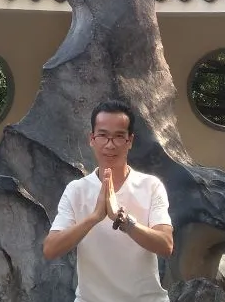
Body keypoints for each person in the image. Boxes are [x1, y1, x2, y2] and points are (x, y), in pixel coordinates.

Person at [42, 100, 174, 302]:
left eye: (119, 136)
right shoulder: (76, 190)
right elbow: (51, 249)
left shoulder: (150, 186)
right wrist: (94, 217)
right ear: (92, 139)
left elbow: (166, 245)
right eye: (103, 135)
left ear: (130, 141)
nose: (110, 144)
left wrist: (125, 222)